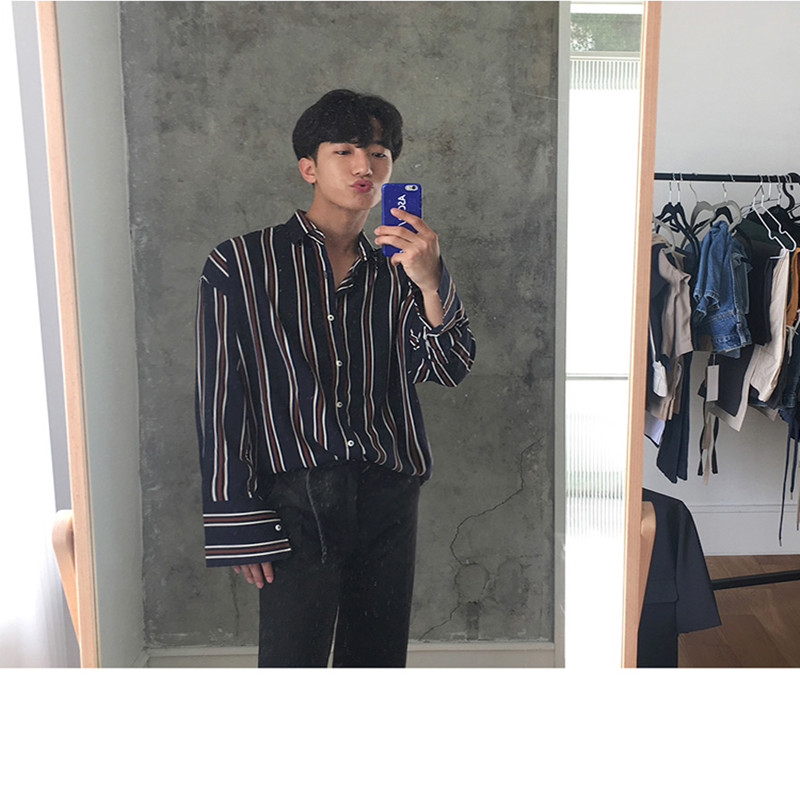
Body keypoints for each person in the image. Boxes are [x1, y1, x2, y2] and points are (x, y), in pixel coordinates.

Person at [195, 89, 475, 667]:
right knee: (291, 663)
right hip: (293, 496)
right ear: (309, 167)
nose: (363, 166)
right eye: (344, 151)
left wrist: (431, 281)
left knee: (376, 661)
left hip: (387, 491)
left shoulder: (402, 267)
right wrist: (239, 519)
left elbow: (447, 366)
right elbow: (222, 395)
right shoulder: (241, 263)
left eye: (378, 153)